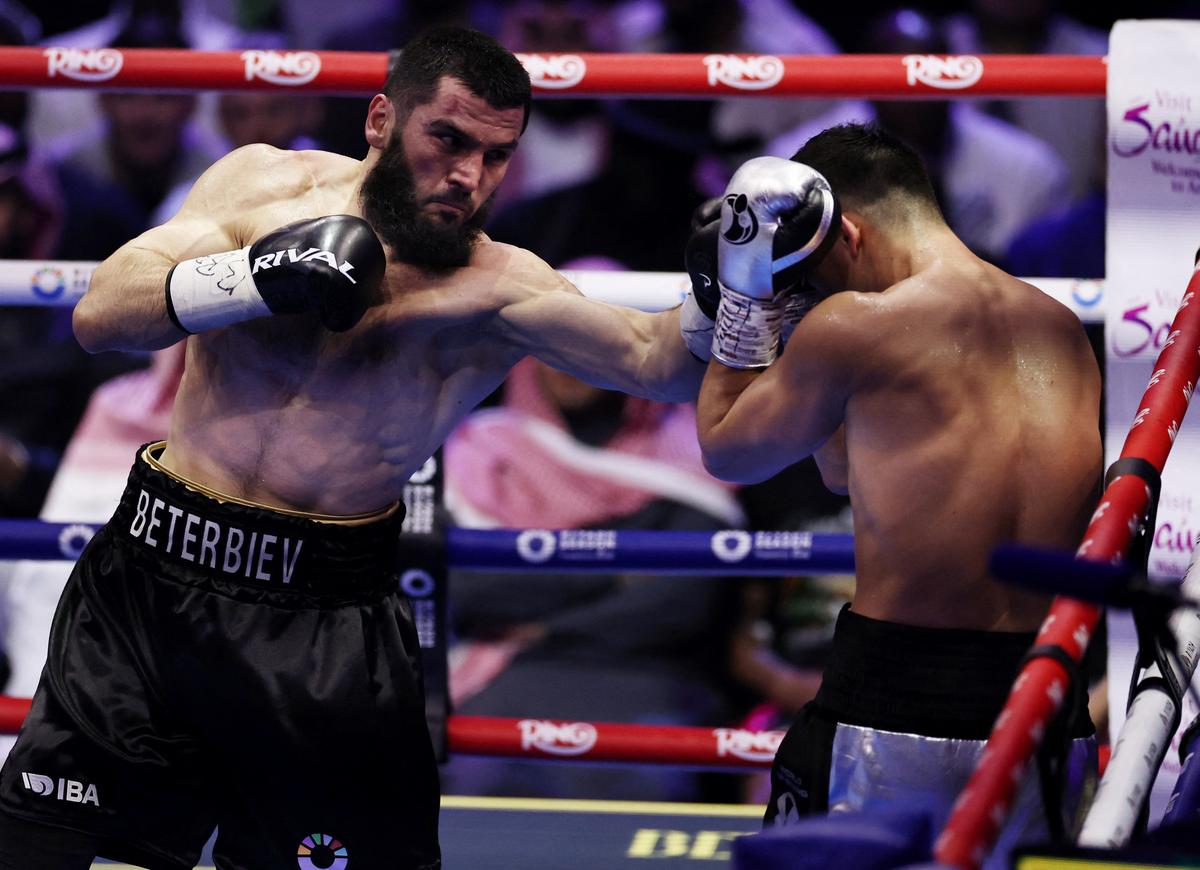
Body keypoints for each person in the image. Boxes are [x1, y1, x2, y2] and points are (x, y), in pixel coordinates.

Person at [0, 26, 704, 870]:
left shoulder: (497, 288)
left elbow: (655, 363)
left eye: (497, 155)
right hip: (149, 582)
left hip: (322, 624)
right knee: (43, 852)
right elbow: (102, 314)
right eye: (448, 139)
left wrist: (731, 282)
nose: (468, 177)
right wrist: (254, 279)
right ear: (379, 120)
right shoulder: (260, 184)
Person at [691, 124, 1102, 862]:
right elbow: (848, 472)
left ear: (844, 231)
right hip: (1046, 705)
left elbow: (727, 447)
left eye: (810, 274)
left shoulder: (858, 324)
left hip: (897, 699)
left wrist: (749, 297)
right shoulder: (1062, 327)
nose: (811, 293)